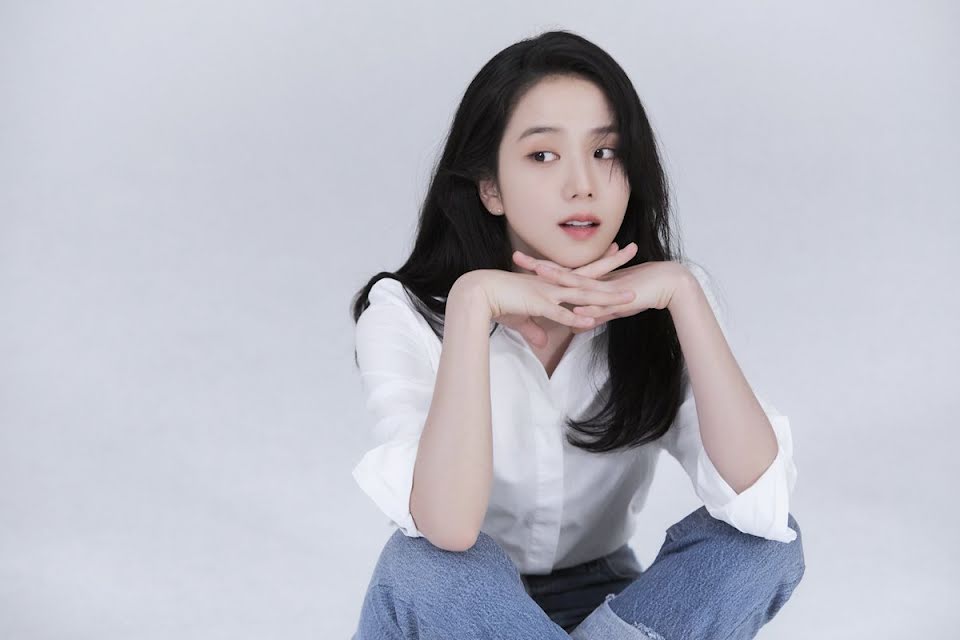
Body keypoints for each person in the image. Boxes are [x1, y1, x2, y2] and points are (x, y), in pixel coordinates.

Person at [348, 29, 805, 639]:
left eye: (606, 151)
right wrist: (472, 304)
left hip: (609, 601)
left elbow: (761, 501)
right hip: (454, 612)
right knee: (425, 564)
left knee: (764, 543)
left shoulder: (665, 301)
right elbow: (449, 529)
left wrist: (684, 294)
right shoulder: (404, 314)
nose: (582, 184)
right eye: (543, 156)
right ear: (490, 187)